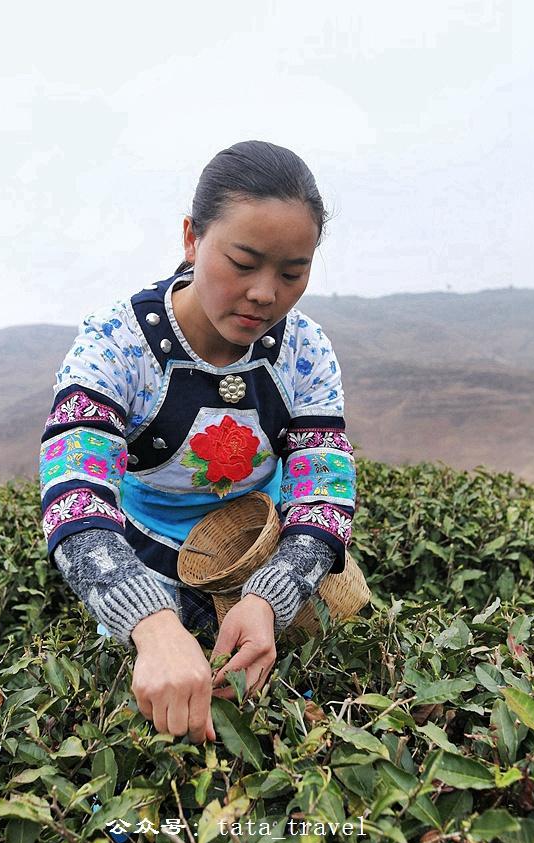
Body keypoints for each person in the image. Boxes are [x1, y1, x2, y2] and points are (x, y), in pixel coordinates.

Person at [39, 140, 356, 746]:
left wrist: (273, 595)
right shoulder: (116, 345)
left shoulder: (306, 350)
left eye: (293, 274)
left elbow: (326, 485)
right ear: (191, 238)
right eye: (243, 262)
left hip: (268, 547)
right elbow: (74, 498)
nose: (266, 294)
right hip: (145, 561)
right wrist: (149, 621)